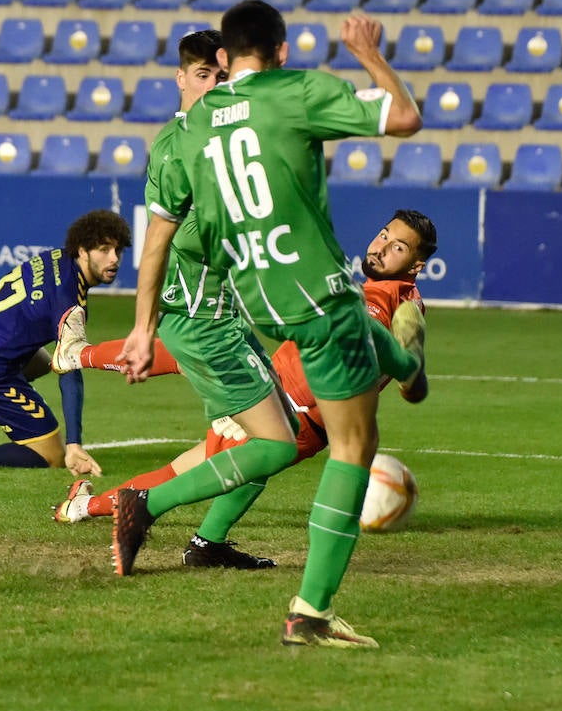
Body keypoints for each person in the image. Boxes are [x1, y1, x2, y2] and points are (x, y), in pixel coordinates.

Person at [118, 2, 424, 649]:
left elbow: (156, 238)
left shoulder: (185, 133)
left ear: (223, 61)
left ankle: (405, 366)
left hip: (260, 307)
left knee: (349, 359)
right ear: (282, 52)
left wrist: (143, 327)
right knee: (352, 449)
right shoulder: (296, 92)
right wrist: (369, 53)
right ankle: (310, 612)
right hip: (318, 292)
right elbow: (404, 117)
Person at [56, 212, 438, 576]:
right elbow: (401, 381)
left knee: (191, 446)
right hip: (296, 408)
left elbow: (350, 356)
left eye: (398, 247)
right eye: (384, 235)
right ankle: (199, 541)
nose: (381, 246)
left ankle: (92, 502)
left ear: (416, 264)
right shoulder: (409, 302)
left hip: (289, 404)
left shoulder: (380, 299)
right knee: (201, 450)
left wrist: (272, 404)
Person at [0, 210, 133, 474]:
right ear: (82, 251)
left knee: (43, 363)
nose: (114, 259)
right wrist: (74, 443)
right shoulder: (69, 302)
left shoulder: (57, 257)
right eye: (104, 250)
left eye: (118, 251)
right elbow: (70, 369)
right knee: (51, 453)